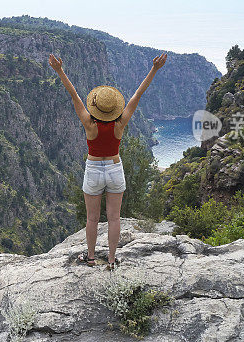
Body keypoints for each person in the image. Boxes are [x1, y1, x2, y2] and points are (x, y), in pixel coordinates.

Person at [48, 52, 167, 270]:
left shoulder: (89, 124)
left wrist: (59, 70)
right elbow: (137, 96)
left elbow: (74, 95)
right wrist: (154, 69)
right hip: (114, 168)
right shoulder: (119, 124)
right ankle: (111, 261)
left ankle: (91, 258)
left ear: (95, 107)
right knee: (114, 219)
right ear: (114, 108)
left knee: (92, 219)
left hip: (93, 169)